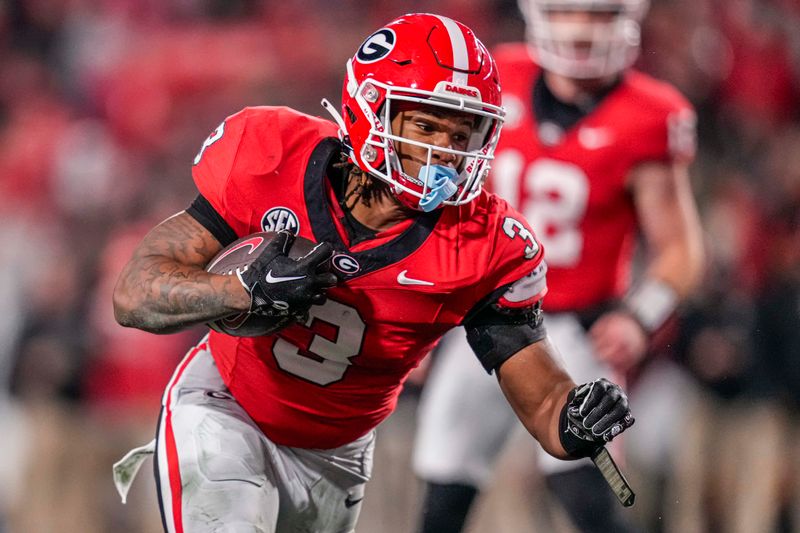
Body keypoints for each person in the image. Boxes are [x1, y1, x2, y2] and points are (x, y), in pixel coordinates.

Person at [111, 13, 634, 533]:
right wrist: (240, 291)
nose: (444, 153)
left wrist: (573, 419)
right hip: (227, 405)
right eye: (426, 125)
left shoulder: (484, 243)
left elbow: (542, 399)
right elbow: (134, 294)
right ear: (368, 110)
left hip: (338, 456)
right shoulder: (271, 153)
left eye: (461, 133)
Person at [412, 2, 705, 532]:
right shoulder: (499, 77)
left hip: (576, 330)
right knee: (443, 492)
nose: (582, 28)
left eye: (599, 13)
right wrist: (420, 322)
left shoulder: (650, 113)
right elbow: (440, 205)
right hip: (483, 320)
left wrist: (639, 317)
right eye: (569, 9)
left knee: (587, 493)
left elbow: (682, 249)